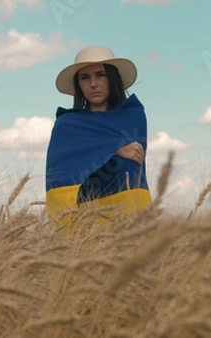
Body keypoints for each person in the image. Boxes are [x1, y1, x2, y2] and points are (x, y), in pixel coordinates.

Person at [45, 46, 153, 232]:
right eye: (84, 77)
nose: (93, 84)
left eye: (100, 75)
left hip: (128, 215)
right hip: (84, 219)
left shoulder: (132, 115)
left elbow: (134, 161)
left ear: (112, 78)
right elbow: (61, 169)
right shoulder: (68, 125)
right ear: (78, 84)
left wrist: (105, 149)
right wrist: (116, 149)